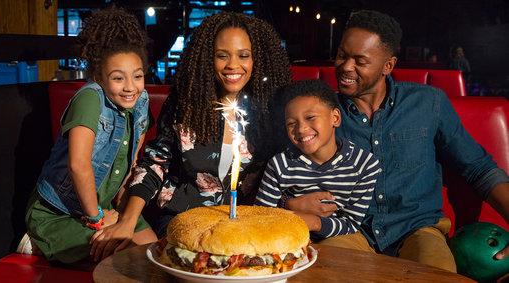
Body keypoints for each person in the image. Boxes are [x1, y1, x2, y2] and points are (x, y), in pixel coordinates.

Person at [285, 10, 509, 272]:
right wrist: (289, 202)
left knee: (438, 275)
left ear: (388, 66)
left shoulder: (429, 103)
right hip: (347, 231)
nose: (346, 66)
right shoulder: (320, 112)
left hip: (418, 230)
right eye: (342, 55)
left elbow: (479, 168)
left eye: (360, 60)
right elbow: (285, 174)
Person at [130, 12, 291, 238]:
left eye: (243, 55)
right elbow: (155, 163)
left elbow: (286, 172)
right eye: (222, 56)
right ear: (208, 59)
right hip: (183, 219)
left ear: (257, 60)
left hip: (244, 223)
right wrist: (128, 221)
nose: (233, 65)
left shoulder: (270, 113)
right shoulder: (184, 105)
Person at [21, 6, 158, 268]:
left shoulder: (141, 102)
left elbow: (130, 165)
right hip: (58, 213)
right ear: (99, 77)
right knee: (127, 260)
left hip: (103, 209)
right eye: (118, 78)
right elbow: (78, 164)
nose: (130, 86)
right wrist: (97, 220)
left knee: (155, 254)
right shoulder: (89, 99)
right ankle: (40, 241)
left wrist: (122, 217)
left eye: (137, 76)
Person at [254, 79, 380, 242]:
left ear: (335, 118)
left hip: (337, 243)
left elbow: (350, 224)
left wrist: (313, 222)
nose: (300, 129)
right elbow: (259, 217)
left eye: (310, 117)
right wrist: (288, 205)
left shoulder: (365, 164)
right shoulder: (280, 165)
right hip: (286, 239)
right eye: (291, 123)